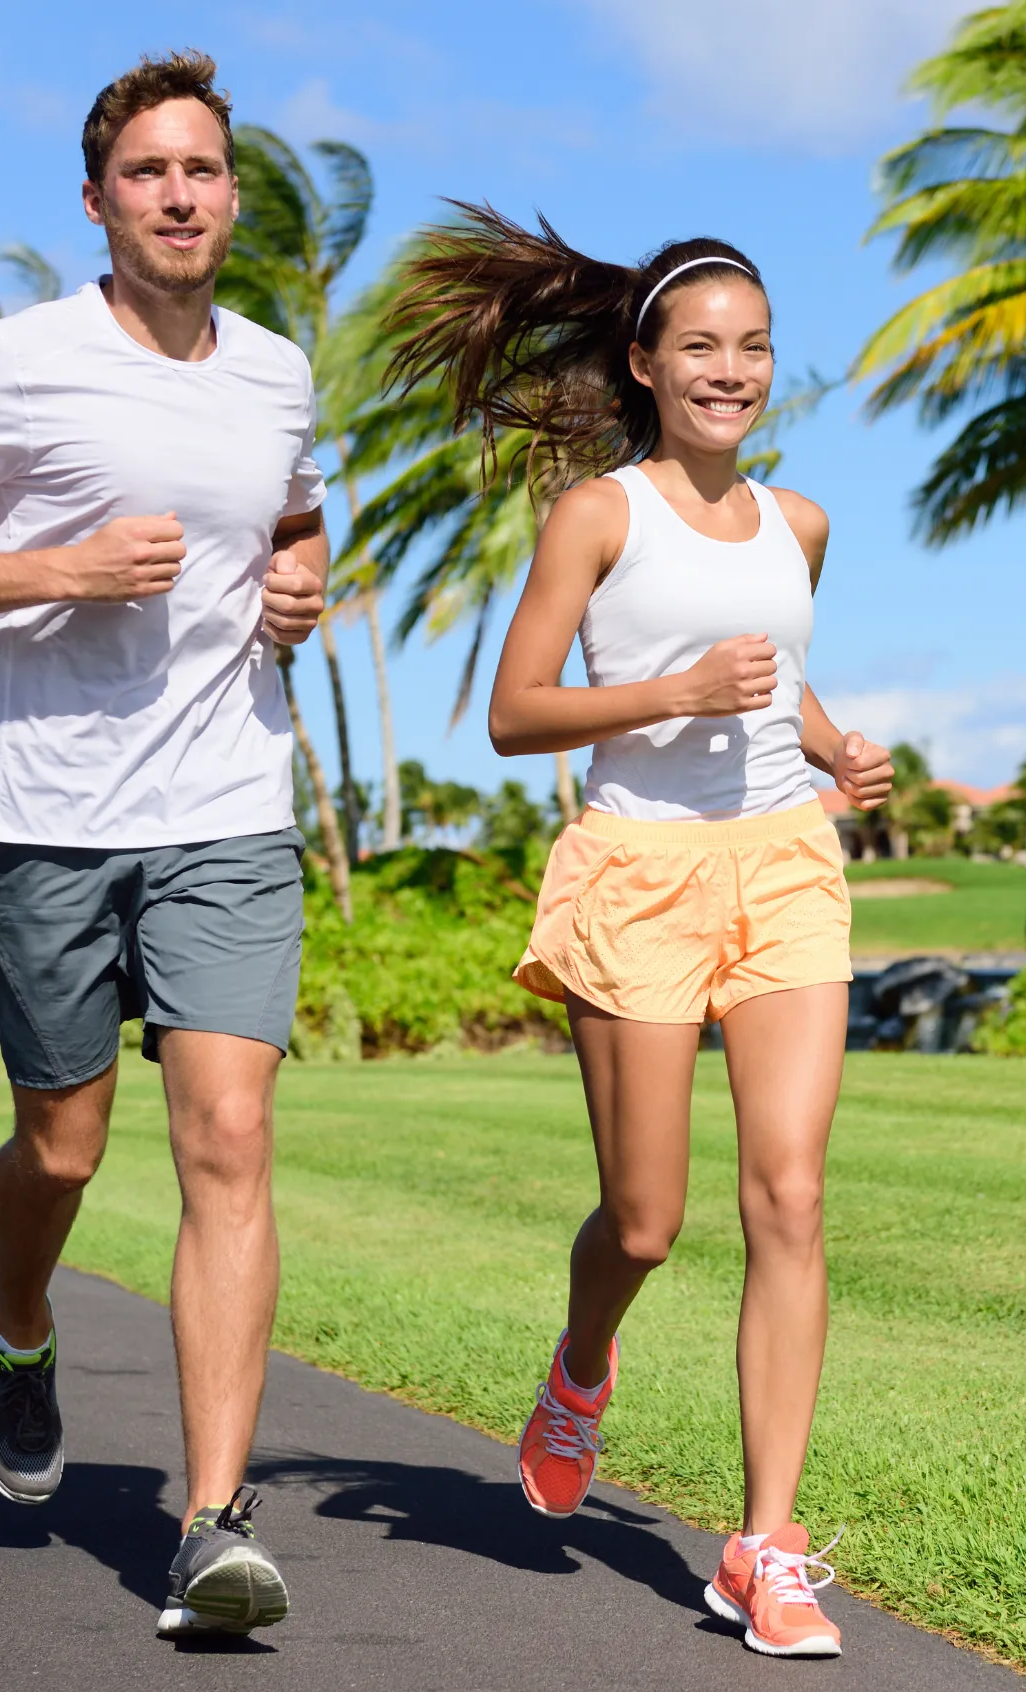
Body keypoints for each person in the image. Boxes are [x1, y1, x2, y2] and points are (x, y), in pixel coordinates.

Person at [0, 51, 326, 1640]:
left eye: (202, 171)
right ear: (99, 201)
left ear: (233, 196)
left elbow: (292, 514)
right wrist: (59, 569)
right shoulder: (15, 364)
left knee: (229, 1142)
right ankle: (24, 1321)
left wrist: (299, 590)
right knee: (62, 1147)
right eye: (147, 174)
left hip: (229, 808)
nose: (179, 196)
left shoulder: (274, 371)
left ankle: (212, 1523)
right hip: (47, 813)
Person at [385, 209, 894, 1659]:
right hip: (638, 876)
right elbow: (514, 712)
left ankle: (767, 1547)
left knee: (790, 1197)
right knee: (648, 1219)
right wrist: (673, 692)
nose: (730, 370)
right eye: (702, 348)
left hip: (785, 864)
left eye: (753, 347)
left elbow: (778, 679)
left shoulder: (801, 525)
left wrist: (836, 746)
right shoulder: (599, 514)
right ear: (648, 365)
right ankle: (582, 1364)